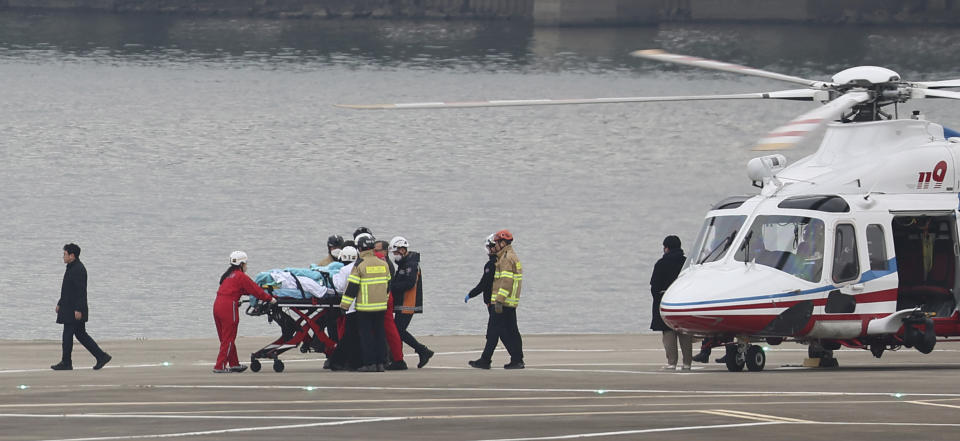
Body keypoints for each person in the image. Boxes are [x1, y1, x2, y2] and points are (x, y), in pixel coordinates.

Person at [214, 251, 277, 373]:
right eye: (246, 263)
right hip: (228, 308)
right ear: (241, 264)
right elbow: (255, 290)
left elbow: (239, 290)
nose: (246, 266)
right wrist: (270, 299)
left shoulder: (228, 275)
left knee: (225, 338)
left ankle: (234, 364)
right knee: (229, 338)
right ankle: (219, 366)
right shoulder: (240, 276)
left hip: (217, 305)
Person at [469, 229, 524, 369]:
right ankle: (517, 359)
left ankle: (485, 360)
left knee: (493, 331)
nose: (496, 244)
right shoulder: (510, 256)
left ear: (503, 243)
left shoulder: (505, 258)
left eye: (497, 242)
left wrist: (499, 300)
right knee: (512, 331)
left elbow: (506, 281)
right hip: (510, 302)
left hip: (502, 302)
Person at [52, 243, 112, 371]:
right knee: (80, 334)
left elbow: (81, 291)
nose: (63, 256)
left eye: (65, 254)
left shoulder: (78, 269)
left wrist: (79, 309)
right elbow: (67, 290)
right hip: (69, 307)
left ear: (72, 256)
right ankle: (101, 356)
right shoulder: (71, 267)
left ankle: (66, 362)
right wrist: (60, 303)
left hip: (74, 310)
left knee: (68, 335)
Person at [340, 235, 390, 372]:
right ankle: (381, 363)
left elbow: (352, 288)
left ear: (360, 248)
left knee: (366, 336)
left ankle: (370, 363)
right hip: (380, 306)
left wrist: (344, 306)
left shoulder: (359, 265)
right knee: (380, 334)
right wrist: (384, 299)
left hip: (364, 308)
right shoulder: (383, 264)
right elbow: (388, 285)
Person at [389, 236, 433, 368]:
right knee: (398, 331)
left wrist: (391, 287)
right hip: (403, 303)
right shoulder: (405, 263)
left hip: (408, 302)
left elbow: (409, 283)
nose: (395, 256)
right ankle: (404, 355)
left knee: (398, 331)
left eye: (396, 253)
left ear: (402, 250)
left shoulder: (411, 264)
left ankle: (422, 350)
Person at [650, 235, 692, 370]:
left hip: (665, 300)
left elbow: (654, 286)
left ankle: (672, 362)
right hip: (685, 301)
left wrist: (658, 299)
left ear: (666, 248)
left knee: (668, 333)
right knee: (685, 334)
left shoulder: (661, 263)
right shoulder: (687, 263)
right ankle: (687, 363)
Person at [371, 237, 406, 370]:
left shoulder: (380, 261)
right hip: (384, 296)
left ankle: (395, 358)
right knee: (387, 330)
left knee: (388, 330)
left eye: (376, 250)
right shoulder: (384, 261)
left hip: (382, 298)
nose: (374, 252)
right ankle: (394, 357)